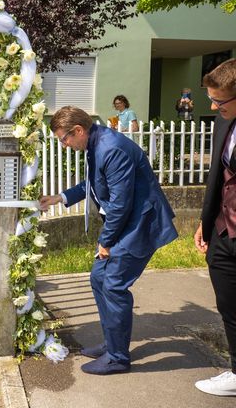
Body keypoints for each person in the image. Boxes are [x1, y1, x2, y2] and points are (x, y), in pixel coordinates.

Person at [40, 106, 177, 375]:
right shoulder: (96, 141)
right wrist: (60, 198)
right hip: (126, 223)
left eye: (63, 139)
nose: (64, 144)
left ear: (78, 130)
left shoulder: (110, 148)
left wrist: (105, 242)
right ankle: (112, 344)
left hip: (139, 226)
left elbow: (120, 204)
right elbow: (92, 183)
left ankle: (118, 359)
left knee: (113, 285)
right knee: (98, 278)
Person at [193, 58, 236, 396]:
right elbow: (216, 180)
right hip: (223, 232)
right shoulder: (223, 123)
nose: (212, 106)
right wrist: (205, 223)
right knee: (228, 304)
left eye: (219, 100)